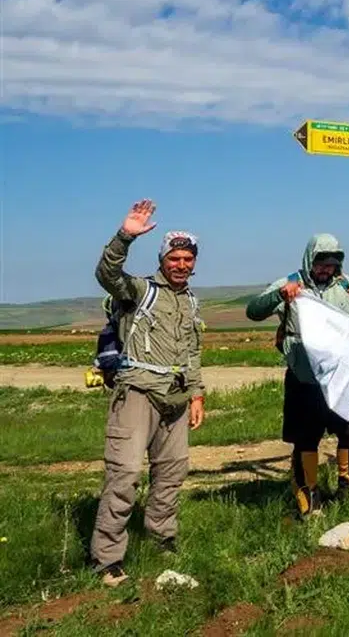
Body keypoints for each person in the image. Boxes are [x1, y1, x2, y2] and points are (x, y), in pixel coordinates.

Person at [89, 200, 205, 588]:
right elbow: (107, 274)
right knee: (125, 475)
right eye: (174, 258)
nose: (181, 265)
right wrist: (125, 236)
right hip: (138, 393)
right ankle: (106, 559)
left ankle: (161, 540)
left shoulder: (191, 301)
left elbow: (192, 352)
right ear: (163, 259)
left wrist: (197, 394)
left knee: (171, 473)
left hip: (176, 400)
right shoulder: (141, 291)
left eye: (187, 259)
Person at [245, 234, 349, 516]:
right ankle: (308, 497)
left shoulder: (347, 285)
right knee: (305, 439)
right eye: (321, 264)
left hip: (343, 374)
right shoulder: (289, 283)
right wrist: (280, 295)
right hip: (304, 376)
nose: (326, 270)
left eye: (331, 265)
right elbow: (253, 311)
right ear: (310, 260)